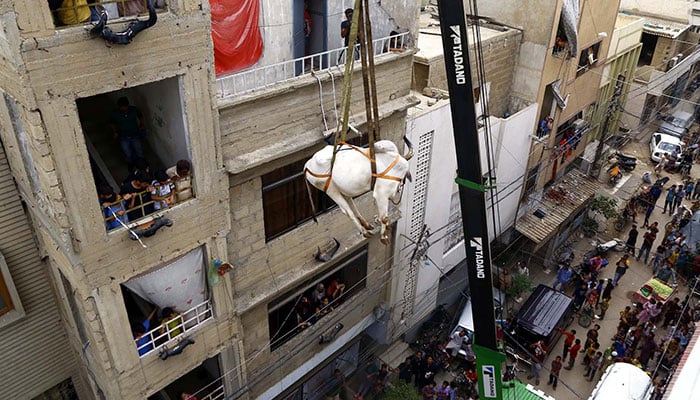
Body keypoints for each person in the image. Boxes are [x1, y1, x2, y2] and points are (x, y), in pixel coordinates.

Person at [110, 97, 146, 169]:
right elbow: (112, 123)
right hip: (123, 136)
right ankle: (131, 166)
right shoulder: (115, 113)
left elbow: (140, 116)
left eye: (125, 107)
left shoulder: (133, 110)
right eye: (122, 107)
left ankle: (143, 165)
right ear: (119, 107)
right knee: (127, 152)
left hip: (135, 134)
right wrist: (115, 132)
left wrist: (142, 124)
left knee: (139, 150)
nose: (124, 109)